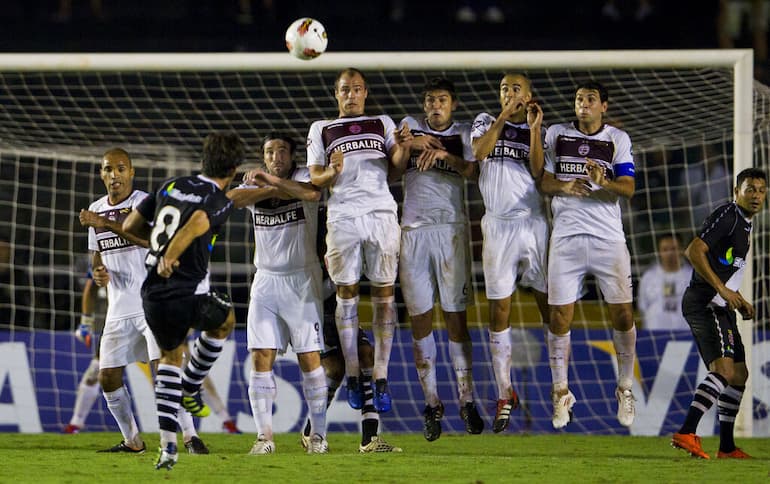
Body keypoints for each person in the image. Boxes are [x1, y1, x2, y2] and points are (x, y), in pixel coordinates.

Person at [123, 132, 246, 470]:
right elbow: (196, 223)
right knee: (225, 321)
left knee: (168, 360)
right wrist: (170, 255)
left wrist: (158, 250)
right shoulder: (216, 197)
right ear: (234, 168)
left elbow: (132, 223)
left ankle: (168, 449)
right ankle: (193, 386)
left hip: (150, 293)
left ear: (203, 159)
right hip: (184, 291)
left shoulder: (169, 185)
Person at [307, 68, 409, 414]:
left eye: (356, 89)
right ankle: (352, 370)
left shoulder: (383, 123)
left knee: (384, 294)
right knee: (346, 293)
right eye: (344, 90)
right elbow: (315, 178)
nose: (350, 95)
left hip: (381, 214)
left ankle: (380, 374)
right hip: (343, 217)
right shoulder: (321, 129)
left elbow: (395, 169)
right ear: (336, 94)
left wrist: (405, 147)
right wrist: (332, 172)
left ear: (365, 93)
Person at [540, 80, 637, 429]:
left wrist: (604, 181)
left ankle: (625, 387)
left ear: (604, 106)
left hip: (608, 239)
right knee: (559, 318)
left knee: (623, 314)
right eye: (579, 98)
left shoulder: (617, 140)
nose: (583, 104)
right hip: (565, 237)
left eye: (590, 99)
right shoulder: (556, 134)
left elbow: (628, 189)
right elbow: (543, 181)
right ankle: (560, 392)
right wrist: (565, 185)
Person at [391, 77, 483, 441]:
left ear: (453, 104)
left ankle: (466, 400)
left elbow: (475, 172)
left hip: (452, 230)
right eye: (430, 100)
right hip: (412, 231)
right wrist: (409, 143)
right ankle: (432, 404)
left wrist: (446, 156)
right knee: (420, 322)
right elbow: (394, 169)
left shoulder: (463, 132)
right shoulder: (408, 126)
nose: (435, 105)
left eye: (442, 99)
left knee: (456, 319)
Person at [226, 132, 329, 454]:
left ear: (292, 155)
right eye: (269, 152)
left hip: (302, 278)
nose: (276, 157)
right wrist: (267, 187)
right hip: (266, 280)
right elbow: (232, 199)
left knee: (309, 358)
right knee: (260, 356)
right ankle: (264, 437)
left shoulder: (303, 175)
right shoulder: (253, 182)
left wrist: (267, 183)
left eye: (281, 151)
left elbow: (311, 194)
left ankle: (318, 437)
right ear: (263, 156)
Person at [470, 73, 549, 433]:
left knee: (549, 302)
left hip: (533, 223)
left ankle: (559, 383)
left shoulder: (539, 129)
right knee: (499, 307)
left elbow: (537, 170)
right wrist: (503, 117)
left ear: (529, 95)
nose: (509, 93)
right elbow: (478, 152)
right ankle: (505, 391)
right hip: (498, 225)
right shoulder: (486, 122)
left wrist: (534, 129)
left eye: (516, 88)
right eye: (504, 88)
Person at [671, 168, 767, 459]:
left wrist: (737, 297)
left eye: (762, 190)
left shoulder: (746, 224)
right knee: (724, 371)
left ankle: (726, 446)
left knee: (739, 374)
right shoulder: (728, 215)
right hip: (705, 302)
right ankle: (687, 432)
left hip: (721, 303)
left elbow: (725, 267)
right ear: (736, 191)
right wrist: (722, 291)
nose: (757, 196)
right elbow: (694, 251)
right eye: (750, 189)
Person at [79, 147, 161, 454]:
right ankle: (133, 440)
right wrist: (98, 272)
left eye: (120, 169)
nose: (114, 175)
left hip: (150, 301)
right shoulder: (96, 207)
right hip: (118, 306)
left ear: (131, 172)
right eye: (108, 169)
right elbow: (96, 254)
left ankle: (191, 437)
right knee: (108, 375)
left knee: (161, 372)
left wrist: (106, 222)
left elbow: (153, 241)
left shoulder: (143, 202)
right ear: (101, 174)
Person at [62, 270, 102, 434]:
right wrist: (85, 322)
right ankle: (75, 424)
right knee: (96, 371)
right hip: (120, 325)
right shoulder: (104, 250)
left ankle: (187, 431)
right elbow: (91, 286)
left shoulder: (150, 250)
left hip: (151, 318)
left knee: (166, 368)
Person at [638, 234, 692, 331]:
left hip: (685, 334)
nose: (669, 253)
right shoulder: (649, 277)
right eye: (665, 249)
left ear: (681, 250)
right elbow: (642, 307)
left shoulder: (692, 276)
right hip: (655, 334)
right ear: (659, 252)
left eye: (673, 249)